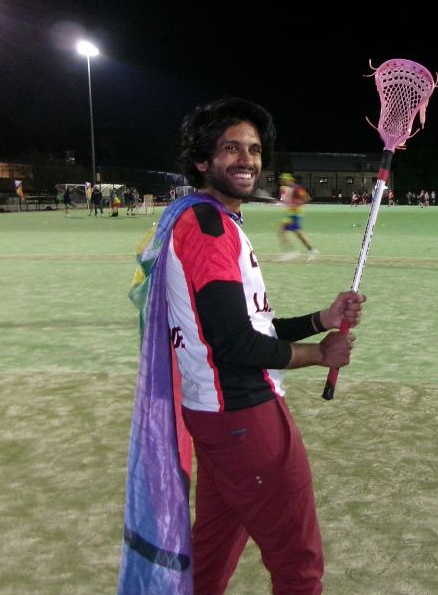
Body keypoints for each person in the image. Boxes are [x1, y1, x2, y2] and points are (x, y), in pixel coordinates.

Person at [120, 98, 365, 594]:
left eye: (253, 149)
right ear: (202, 160)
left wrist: (322, 319)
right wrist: (320, 353)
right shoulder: (208, 228)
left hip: (216, 415)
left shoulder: (208, 221)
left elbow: (250, 325)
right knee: (299, 565)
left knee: (213, 549)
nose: (247, 160)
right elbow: (234, 344)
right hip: (244, 416)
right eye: (231, 148)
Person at [278, 172, 318, 261]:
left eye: (285, 179)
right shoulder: (284, 189)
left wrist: (296, 203)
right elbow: (285, 201)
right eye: (283, 180)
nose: (283, 181)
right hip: (290, 214)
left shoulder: (296, 188)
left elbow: (307, 198)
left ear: (290, 179)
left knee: (284, 232)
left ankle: (293, 251)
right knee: (296, 234)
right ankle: (310, 250)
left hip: (295, 214)